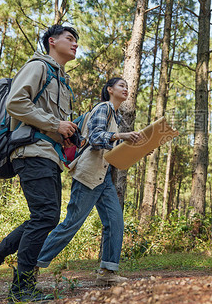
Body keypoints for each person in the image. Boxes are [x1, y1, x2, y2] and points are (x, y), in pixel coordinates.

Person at [0, 24, 79, 303]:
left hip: (49, 155)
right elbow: (15, 103)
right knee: (45, 216)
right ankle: (21, 287)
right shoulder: (38, 66)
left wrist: (65, 135)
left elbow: (46, 119)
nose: (75, 44)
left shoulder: (62, 82)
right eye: (70, 39)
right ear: (52, 41)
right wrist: (54, 124)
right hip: (30, 152)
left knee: (45, 217)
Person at [36, 77, 141, 285]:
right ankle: (31, 265)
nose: (126, 89)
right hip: (88, 174)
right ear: (109, 89)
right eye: (122, 86)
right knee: (71, 224)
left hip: (104, 178)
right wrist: (123, 135)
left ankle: (108, 272)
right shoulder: (104, 107)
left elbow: (111, 147)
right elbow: (95, 138)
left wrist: (136, 147)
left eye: (127, 87)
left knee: (115, 222)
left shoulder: (115, 115)